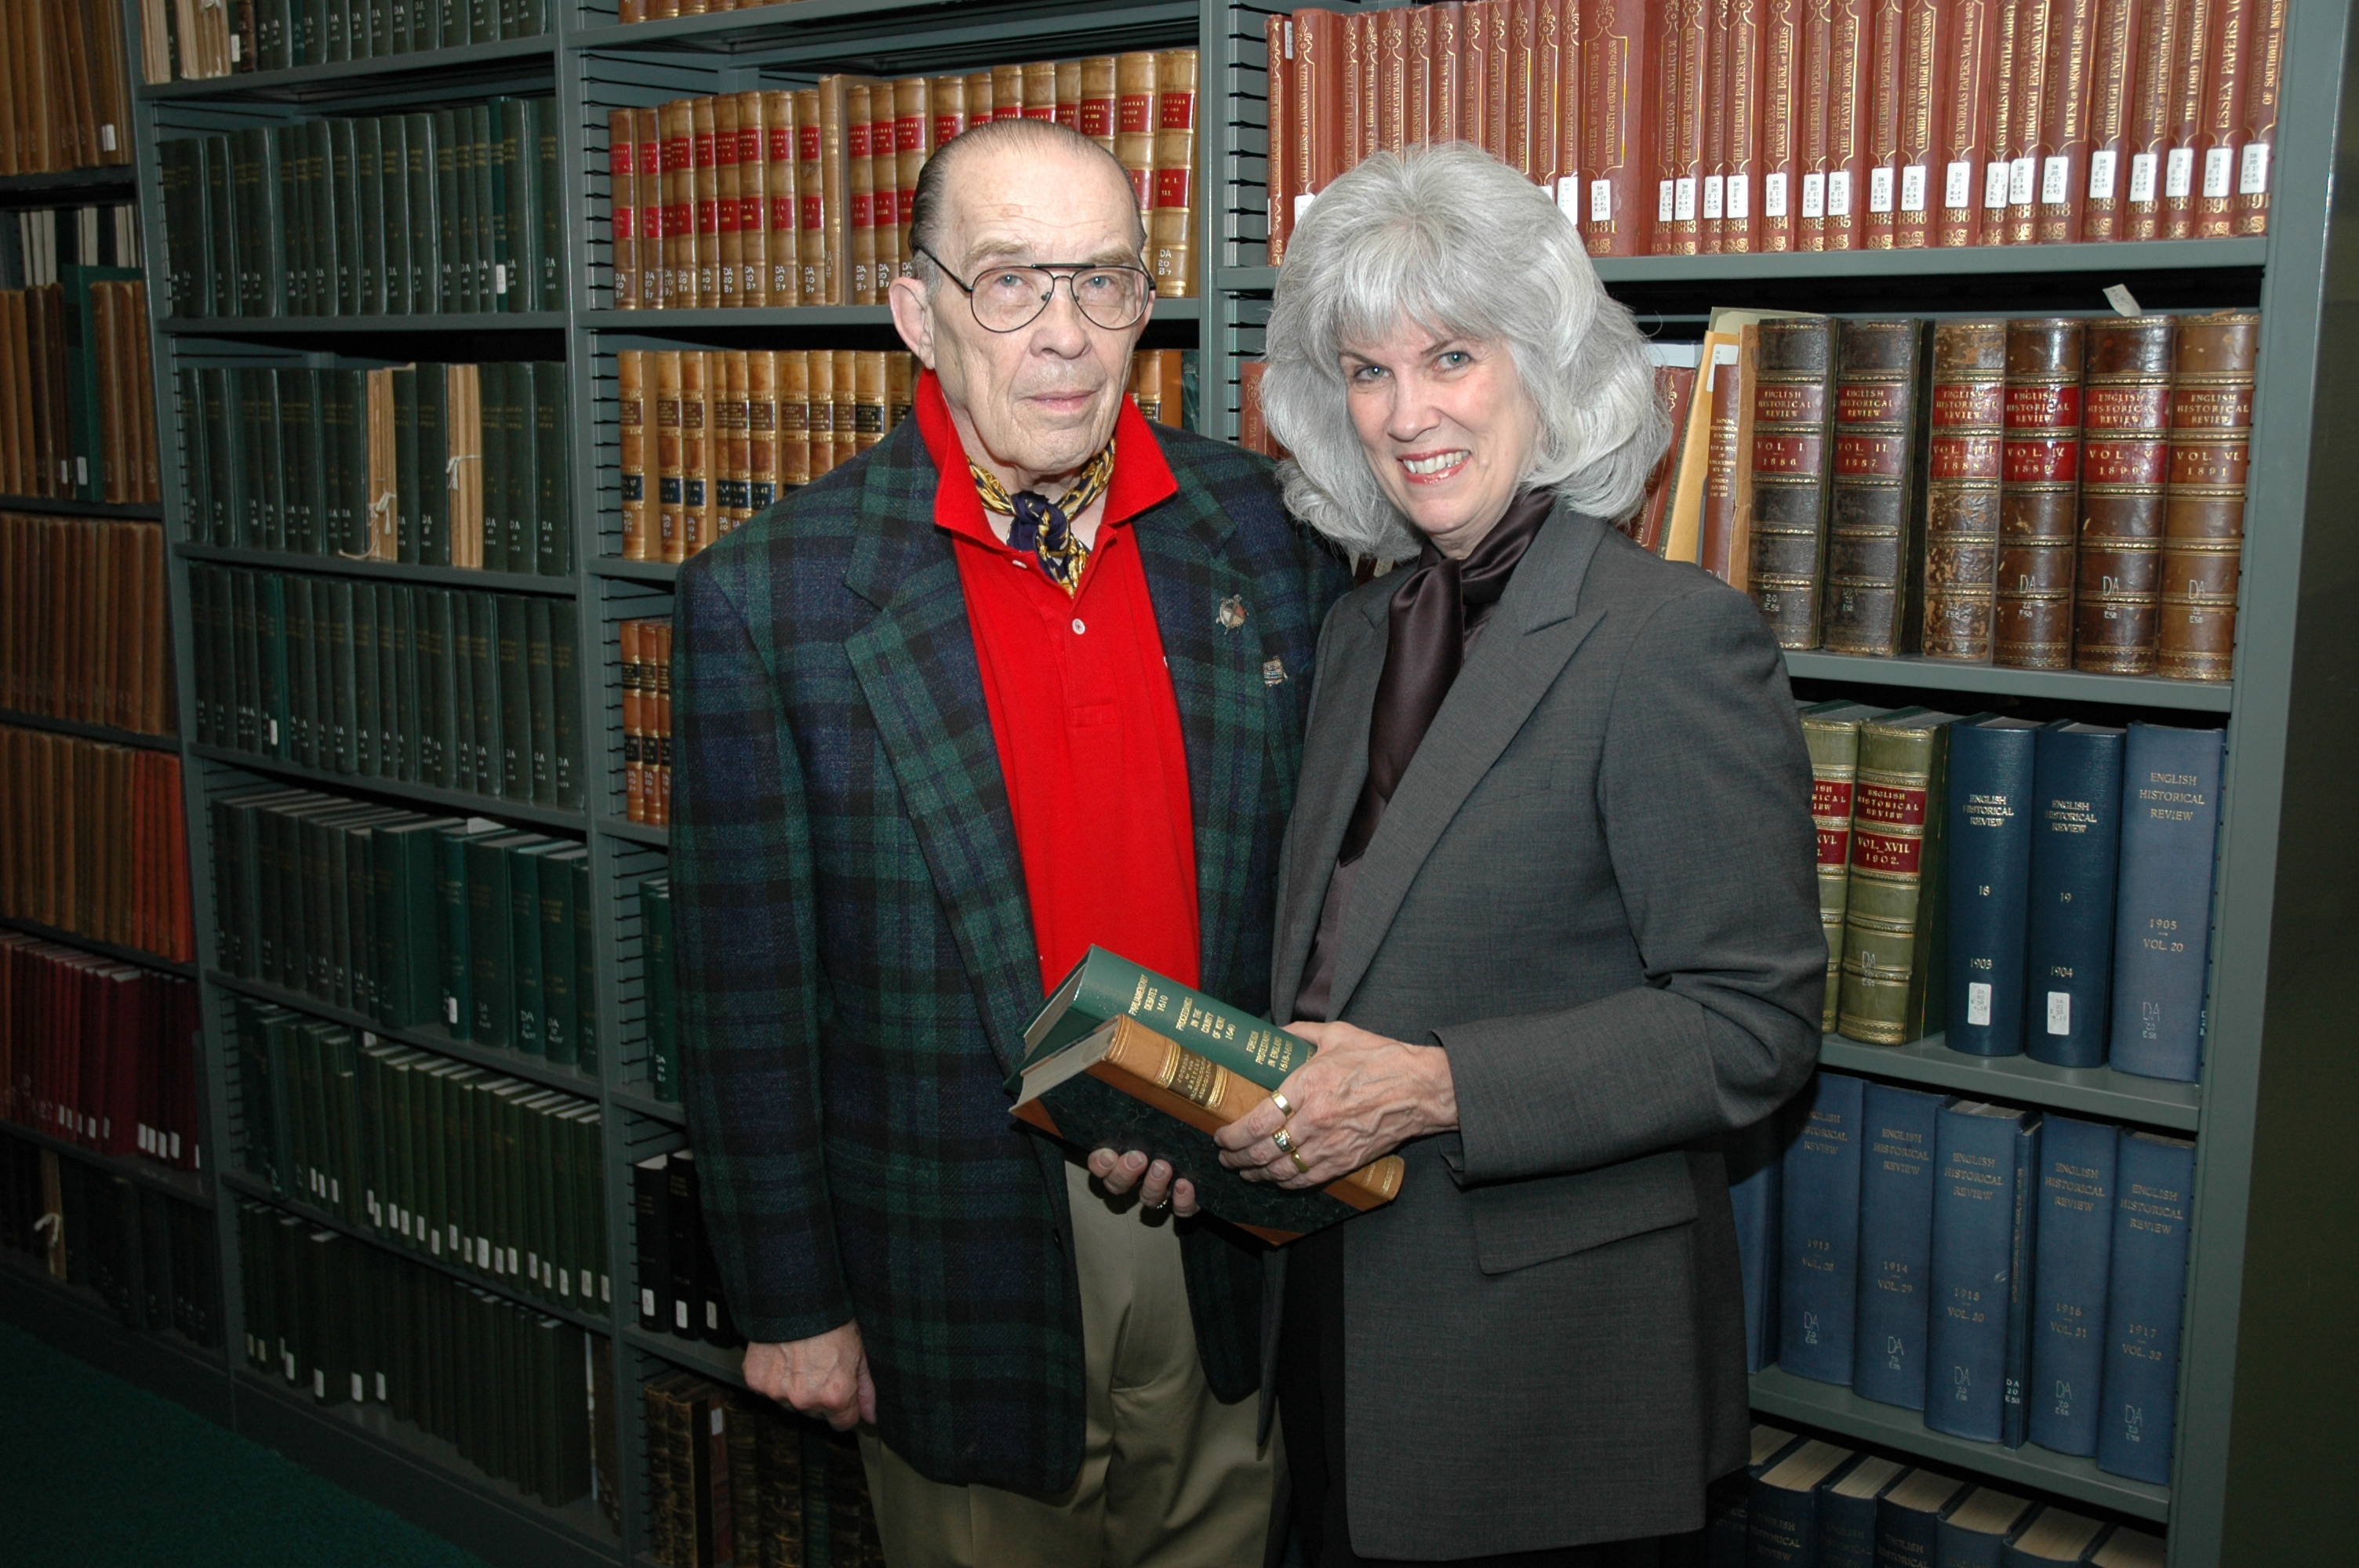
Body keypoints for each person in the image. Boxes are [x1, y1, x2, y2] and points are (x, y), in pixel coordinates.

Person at [668, 115, 1347, 1568]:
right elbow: (743, 1002)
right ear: (918, 313)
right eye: (1009, 283)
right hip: (956, 1228)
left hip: (1222, 1211)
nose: (1064, 335)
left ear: (1144, 306)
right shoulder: (771, 598)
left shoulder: (1269, 534)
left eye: (1101, 282)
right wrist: (789, 1301)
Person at [1212, 143, 1826, 1565]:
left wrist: (1433, 1086)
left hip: (1549, 1369)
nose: (1408, 412)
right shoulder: (1362, 629)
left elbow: (1752, 1025)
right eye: (1366, 371)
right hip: (1331, 1312)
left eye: (1450, 356)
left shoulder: (1670, 638)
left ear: (1543, 366)